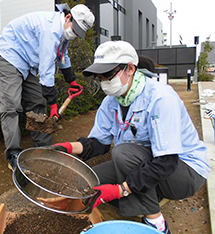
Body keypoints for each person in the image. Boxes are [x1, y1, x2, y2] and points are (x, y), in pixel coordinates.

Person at [49, 41, 211, 234]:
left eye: (108, 75)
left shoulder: (161, 99)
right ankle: (148, 193)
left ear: (131, 68)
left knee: (123, 153)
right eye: (99, 77)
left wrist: (120, 190)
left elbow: (167, 162)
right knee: (88, 182)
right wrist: (66, 148)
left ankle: (157, 223)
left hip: (184, 171)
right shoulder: (111, 102)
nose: (104, 82)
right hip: (145, 162)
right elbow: (98, 144)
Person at [0, 4, 95, 170]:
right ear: (68, 17)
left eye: (79, 33)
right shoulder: (50, 30)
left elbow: (63, 56)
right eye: (75, 30)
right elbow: (46, 70)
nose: (75, 35)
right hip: (8, 56)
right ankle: (14, 154)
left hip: (26, 63)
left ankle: (45, 148)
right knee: (11, 105)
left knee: (37, 100)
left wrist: (72, 81)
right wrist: (54, 104)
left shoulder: (62, 32)